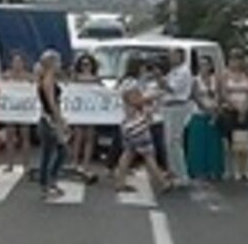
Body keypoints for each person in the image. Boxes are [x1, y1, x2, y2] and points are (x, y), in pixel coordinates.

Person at [115, 56, 173, 195]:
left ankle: (120, 182)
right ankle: (162, 182)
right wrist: (153, 96)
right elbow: (136, 101)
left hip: (129, 123)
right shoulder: (132, 84)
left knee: (128, 153)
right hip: (137, 124)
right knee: (148, 154)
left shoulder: (125, 82)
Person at [36, 50, 71, 199]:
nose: (60, 65)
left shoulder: (46, 78)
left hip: (47, 118)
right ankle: (49, 182)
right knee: (60, 151)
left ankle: (47, 183)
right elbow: (52, 102)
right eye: (58, 62)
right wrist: (60, 120)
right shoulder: (48, 80)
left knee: (48, 153)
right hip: (49, 120)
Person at [186, 57, 225, 181]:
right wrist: (207, 110)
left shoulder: (215, 80)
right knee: (199, 144)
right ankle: (198, 171)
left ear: (210, 66)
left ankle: (214, 170)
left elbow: (220, 95)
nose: (204, 68)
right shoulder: (195, 80)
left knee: (213, 144)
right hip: (199, 114)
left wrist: (216, 111)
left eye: (206, 65)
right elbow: (195, 97)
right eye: (201, 65)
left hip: (214, 114)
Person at [220, 50, 248, 181]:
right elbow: (224, 93)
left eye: (238, 59)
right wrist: (235, 106)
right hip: (230, 110)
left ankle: (243, 171)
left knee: (243, 142)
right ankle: (231, 170)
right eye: (233, 59)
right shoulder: (225, 75)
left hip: (245, 110)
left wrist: (244, 109)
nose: (235, 62)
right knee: (229, 141)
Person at [161, 47, 194, 187]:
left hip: (177, 106)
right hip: (168, 106)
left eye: (174, 55)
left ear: (181, 57)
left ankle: (182, 174)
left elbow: (171, 88)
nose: (171, 58)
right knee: (169, 142)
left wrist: (160, 79)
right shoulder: (172, 71)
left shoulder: (184, 72)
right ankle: (173, 170)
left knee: (174, 141)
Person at [66, 53, 102, 182]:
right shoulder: (76, 77)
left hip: (91, 112)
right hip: (79, 112)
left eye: (88, 64)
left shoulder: (97, 79)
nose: (85, 66)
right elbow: (69, 90)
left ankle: (86, 164)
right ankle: (75, 162)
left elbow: (103, 93)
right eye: (83, 64)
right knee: (78, 137)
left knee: (90, 138)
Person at [2, 52, 34, 172]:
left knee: (25, 136)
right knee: (10, 136)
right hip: (10, 110)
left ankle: (26, 164)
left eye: (19, 62)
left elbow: (35, 87)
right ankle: (10, 163)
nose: (17, 64)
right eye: (15, 62)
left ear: (23, 63)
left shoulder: (28, 76)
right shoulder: (7, 75)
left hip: (24, 111)